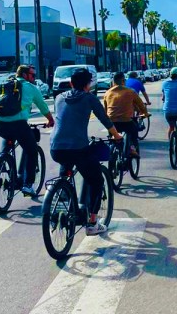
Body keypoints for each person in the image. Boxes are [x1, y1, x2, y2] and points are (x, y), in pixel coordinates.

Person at [50, 68, 122, 235]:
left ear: (71, 83)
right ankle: (92, 223)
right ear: (88, 85)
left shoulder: (59, 97)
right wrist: (117, 136)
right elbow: (104, 119)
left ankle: (63, 198)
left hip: (56, 148)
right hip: (78, 148)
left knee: (66, 172)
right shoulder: (89, 98)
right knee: (96, 181)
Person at [0, 65, 55, 197]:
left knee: (8, 138)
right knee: (32, 151)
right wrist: (50, 120)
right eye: (32, 75)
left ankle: (1, 162)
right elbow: (43, 106)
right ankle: (28, 185)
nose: (34, 78)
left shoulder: (6, 84)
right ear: (25, 75)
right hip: (19, 124)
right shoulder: (31, 88)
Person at [103, 72, 149, 158]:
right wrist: (145, 113)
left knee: (112, 138)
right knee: (134, 131)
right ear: (124, 81)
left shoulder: (107, 93)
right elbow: (141, 105)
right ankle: (132, 149)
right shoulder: (131, 92)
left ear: (113, 82)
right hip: (126, 121)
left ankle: (112, 150)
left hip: (111, 122)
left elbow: (105, 109)